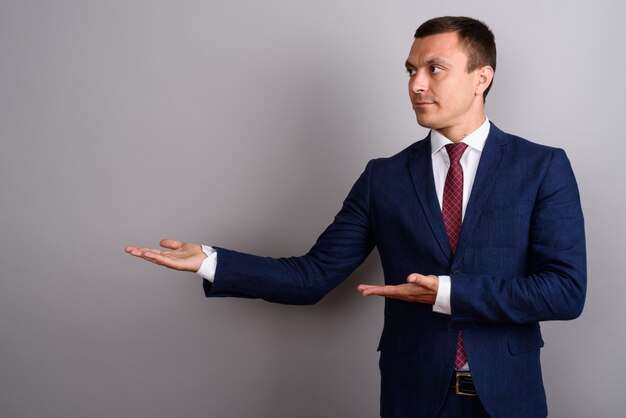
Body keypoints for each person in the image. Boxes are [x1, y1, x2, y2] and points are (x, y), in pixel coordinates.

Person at [126, 16, 586, 418]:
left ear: (481, 77)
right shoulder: (383, 178)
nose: (416, 85)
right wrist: (210, 261)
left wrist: (447, 292)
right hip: (414, 398)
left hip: (509, 398)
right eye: (410, 70)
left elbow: (565, 292)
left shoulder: (542, 167)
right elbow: (313, 276)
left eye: (434, 69)